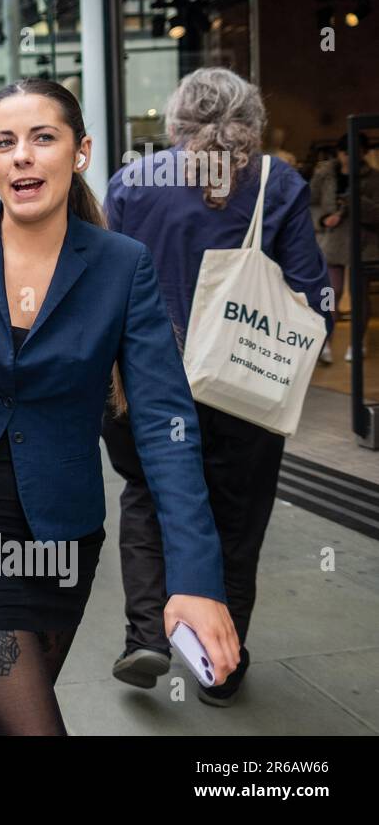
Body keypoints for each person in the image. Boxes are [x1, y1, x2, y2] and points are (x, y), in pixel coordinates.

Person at [0, 78, 240, 736]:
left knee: (9, 717)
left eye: (44, 138)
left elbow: (165, 425)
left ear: (80, 152)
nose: (23, 156)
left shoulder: (122, 266)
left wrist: (197, 579)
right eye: (5, 142)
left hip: (65, 533)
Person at [104, 68, 333, 704]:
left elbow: (105, 285)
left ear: (175, 122)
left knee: (147, 499)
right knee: (238, 517)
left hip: (146, 384)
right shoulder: (277, 182)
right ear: (251, 120)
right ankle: (220, 668)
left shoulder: (132, 182)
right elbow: (313, 294)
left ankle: (146, 636)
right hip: (243, 387)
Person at [311, 132, 377, 364]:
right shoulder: (325, 174)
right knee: (330, 292)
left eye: (354, 152)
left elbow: (376, 213)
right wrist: (323, 218)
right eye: (344, 152)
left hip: (363, 243)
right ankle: (324, 342)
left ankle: (357, 342)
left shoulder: (372, 177)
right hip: (332, 241)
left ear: (363, 152)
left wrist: (355, 201)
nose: (348, 157)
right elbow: (311, 202)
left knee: (359, 297)